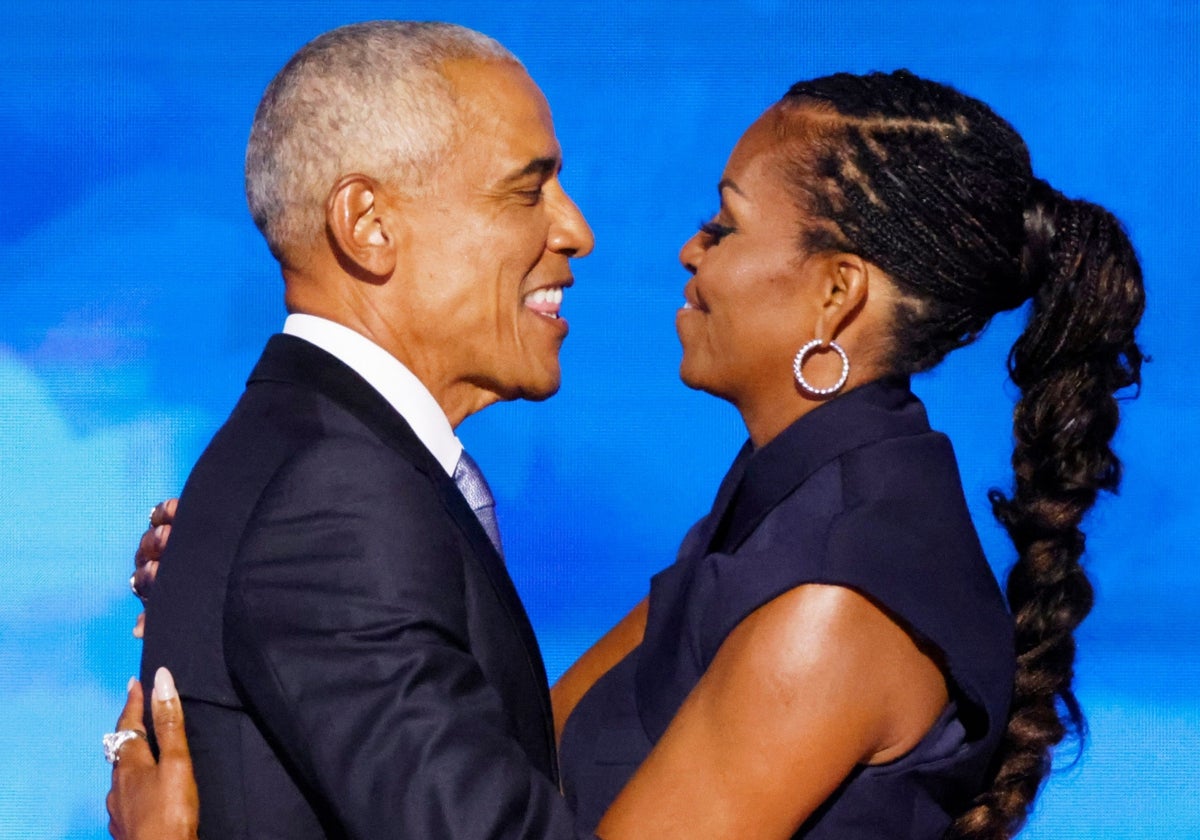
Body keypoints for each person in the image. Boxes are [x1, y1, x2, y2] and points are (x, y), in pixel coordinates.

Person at [111, 68, 1144, 840]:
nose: (688, 254)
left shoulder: (834, 600)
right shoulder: (774, 513)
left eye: (722, 226)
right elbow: (517, 748)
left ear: (837, 292)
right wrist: (262, 582)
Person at [107, 20, 596, 840]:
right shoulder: (335, 499)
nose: (573, 229)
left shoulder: (319, 460)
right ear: (368, 223)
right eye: (527, 188)